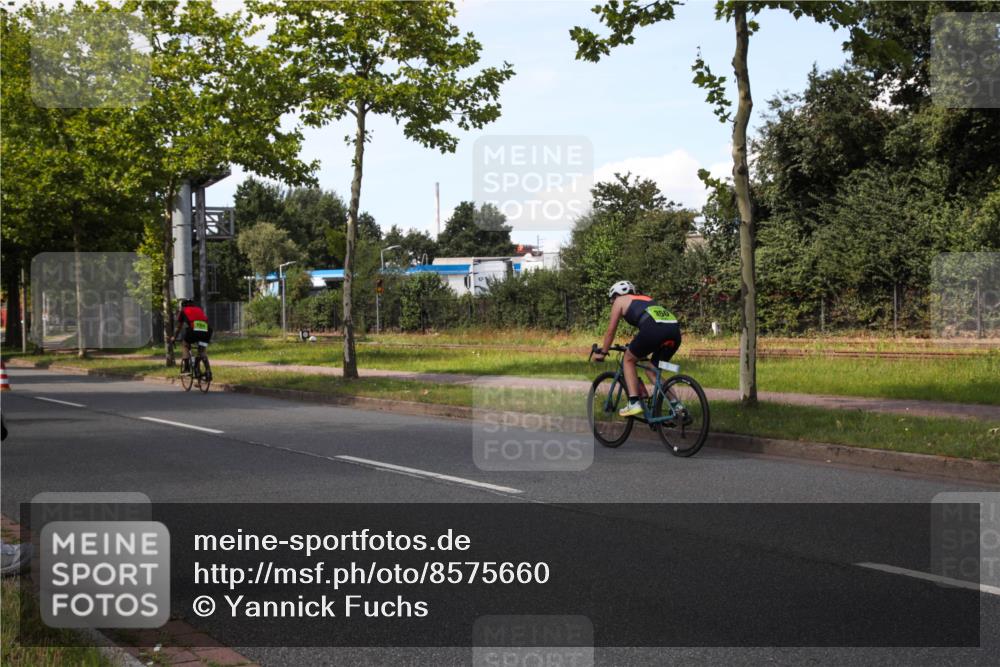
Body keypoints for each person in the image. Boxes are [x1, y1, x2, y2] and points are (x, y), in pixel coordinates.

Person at [593, 280, 682, 417]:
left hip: (654, 330)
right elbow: (648, 320)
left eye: (612, 299)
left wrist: (603, 352)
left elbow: (611, 331)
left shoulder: (620, 301)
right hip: (674, 331)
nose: (612, 302)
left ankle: (634, 402)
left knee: (628, 360)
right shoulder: (647, 298)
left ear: (616, 295)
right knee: (652, 370)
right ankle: (677, 405)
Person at [169, 299, 212, 374]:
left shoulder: (183, 311)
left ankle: (186, 368)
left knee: (185, 345)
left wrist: (174, 337)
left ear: (183, 306)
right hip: (207, 331)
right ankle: (208, 371)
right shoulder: (199, 309)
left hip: (194, 330)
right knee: (202, 351)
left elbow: (178, 327)